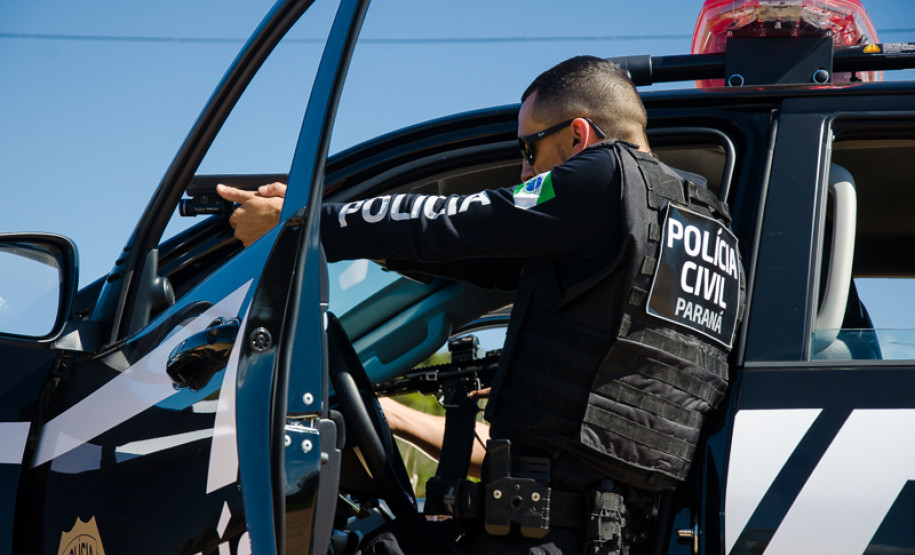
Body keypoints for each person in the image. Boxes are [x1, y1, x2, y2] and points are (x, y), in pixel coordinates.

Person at [218, 55, 743, 554]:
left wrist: (303, 224)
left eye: (529, 149)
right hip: (615, 529)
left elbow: (460, 220)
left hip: (542, 532)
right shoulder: (706, 226)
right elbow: (489, 260)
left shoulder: (603, 177)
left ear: (578, 135)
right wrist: (349, 230)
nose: (525, 170)